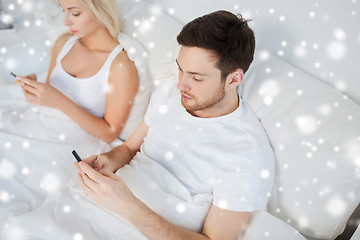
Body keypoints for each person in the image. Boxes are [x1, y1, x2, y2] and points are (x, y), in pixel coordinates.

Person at [74, 10, 275, 239]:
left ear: (234, 79)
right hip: (96, 207)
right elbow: (129, 148)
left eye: (196, 78)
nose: (181, 84)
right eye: (180, 69)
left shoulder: (246, 154)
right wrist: (106, 161)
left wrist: (127, 206)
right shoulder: (170, 95)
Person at [15, 0, 139, 142]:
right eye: (64, 11)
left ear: (102, 10)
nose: (65, 22)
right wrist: (35, 89)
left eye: (75, 13)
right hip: (38, 125)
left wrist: (58, 101)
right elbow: (50, 91)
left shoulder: (120, 66)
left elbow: (110, 133)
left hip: (73, 141)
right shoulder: (63, 43)